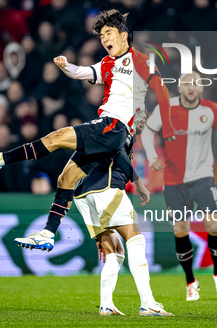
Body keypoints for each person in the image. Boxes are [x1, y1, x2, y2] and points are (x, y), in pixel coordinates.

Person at [0, 10, 175, 251]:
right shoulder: (107, 63)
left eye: (108, 34)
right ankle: (48, 233)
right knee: (66, 178)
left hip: (113, 126)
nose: (104, 40)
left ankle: (0, 159)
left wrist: (169, 125)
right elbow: (82, 72)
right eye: (101, 36)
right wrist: (66, 65)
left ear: (124, 35)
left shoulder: (140, 60)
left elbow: (161, 90)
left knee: (56, 137)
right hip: (110, 134)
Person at [141, 72, 217, 301]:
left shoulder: (212, 109)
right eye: (186, 83)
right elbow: (147, 131)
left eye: (195, 83)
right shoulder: (167, 107)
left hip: (203, 177)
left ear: (201, 88)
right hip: (173, 180)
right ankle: (190, 281)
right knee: (180, 230)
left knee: (212, 224)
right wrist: (152, 154)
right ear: (179, 88)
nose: (191, 87)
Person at [72, 116, 173, 317]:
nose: (144, 121)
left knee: (115, 252)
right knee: (136, 240)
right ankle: (148, 303)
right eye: (141, 116)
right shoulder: (121, 129)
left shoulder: (110, 128)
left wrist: (99, 232)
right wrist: (138, 182)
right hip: (106, 187)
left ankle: (106, 305)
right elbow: (118, 154)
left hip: (83, 193)